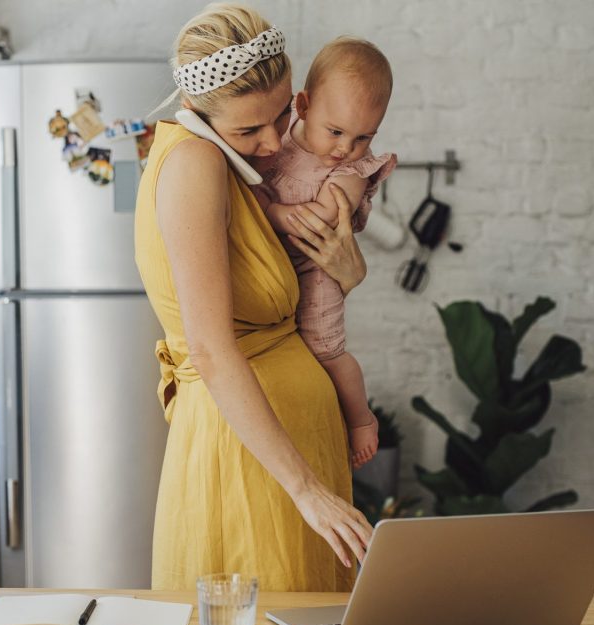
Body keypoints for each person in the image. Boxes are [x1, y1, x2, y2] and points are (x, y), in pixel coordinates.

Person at [134, 3, 373, 593]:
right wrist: (307, 491)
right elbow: (212, 350)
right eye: (248, 130)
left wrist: (348, 271)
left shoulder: (232, 164)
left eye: (280, 116)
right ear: (195, 110)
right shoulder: (194, 161)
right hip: (252, 465)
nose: (272, 144)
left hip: (288, 452)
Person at [253, 37, 397, 471]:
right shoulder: (276, 136)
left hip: (316, 269)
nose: (344, 148)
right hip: (270, 265)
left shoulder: (352, 169)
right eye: (336, 132)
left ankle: (360, 419)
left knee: (324, 350)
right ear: (304, 104)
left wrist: (272, 212)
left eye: (362, 137)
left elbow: (327, 215)